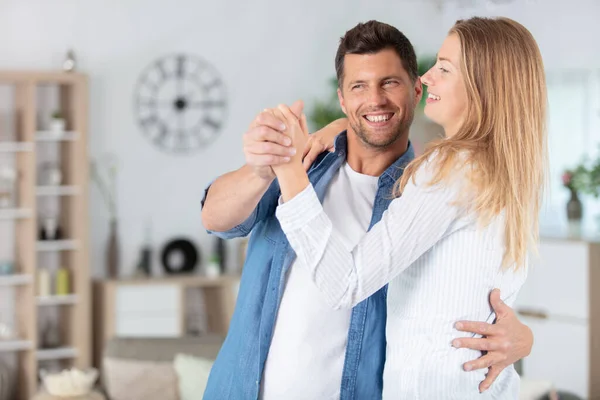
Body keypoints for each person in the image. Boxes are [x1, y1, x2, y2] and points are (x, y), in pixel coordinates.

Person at [201, 20, 535, 400]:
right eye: (359, 87)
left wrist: (522, 337)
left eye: (389, 83)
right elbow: (215, 218)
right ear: (343, 100)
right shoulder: (306, 160)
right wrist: (267, 167)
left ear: (415, 90)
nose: (374, 99)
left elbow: (472, 294)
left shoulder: (427, 186)